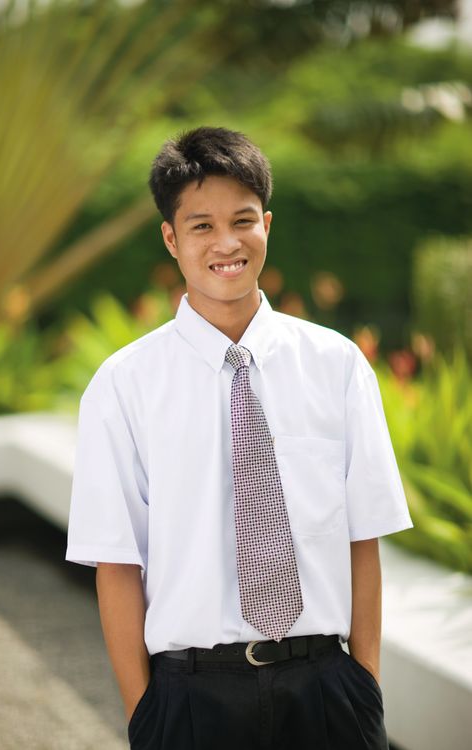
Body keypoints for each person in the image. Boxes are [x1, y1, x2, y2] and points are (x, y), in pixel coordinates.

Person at [66, 125, 414, 750]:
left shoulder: (335, 366)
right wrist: (145, 715)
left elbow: (364, 537)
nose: (226, 243)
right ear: (170, 238)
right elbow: (117, 563)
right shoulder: (124, 386)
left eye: (243, 220)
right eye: (201, 226)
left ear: (268, 225)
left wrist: (366, 685)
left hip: (327, 690)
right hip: (191, 700)